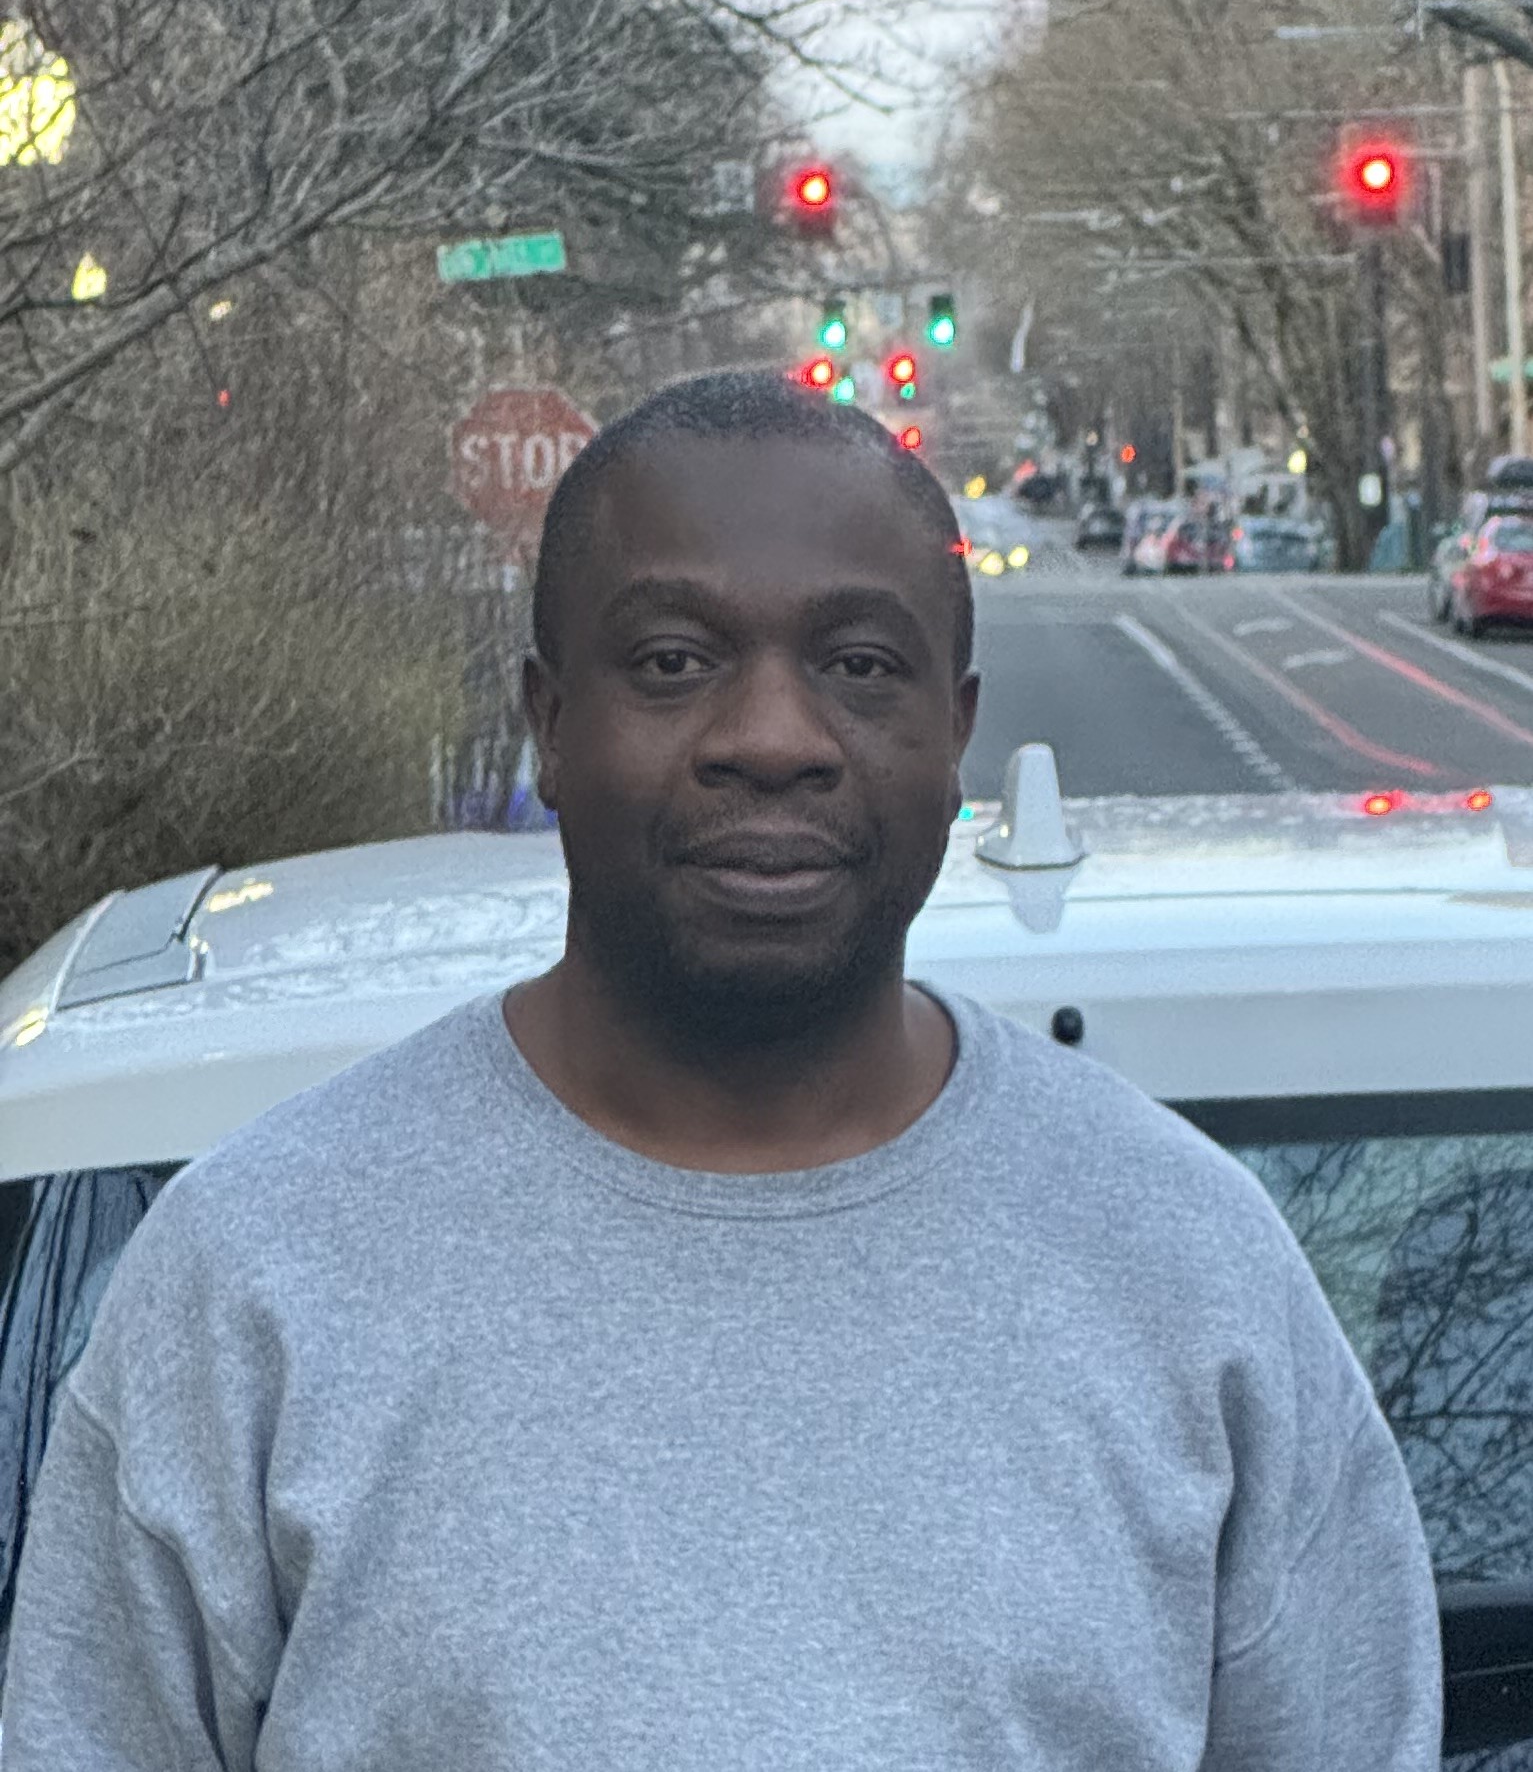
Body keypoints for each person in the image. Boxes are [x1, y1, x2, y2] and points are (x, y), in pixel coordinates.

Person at [3, 371, 1441, 1769]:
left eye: (859, 665)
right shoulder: (252, 1273)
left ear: (955, 731)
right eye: (674, 661)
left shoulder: (1192, 1269)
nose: (770, 738)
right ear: (548, 721)